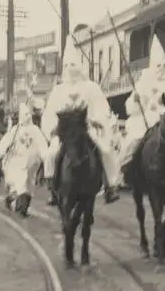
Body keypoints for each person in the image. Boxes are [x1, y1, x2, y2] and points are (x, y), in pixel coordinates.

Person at [41, 47, 120, 203]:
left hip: (87, 128)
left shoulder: (91, 87)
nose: (71, 68)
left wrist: (97, 120)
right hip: (64, 132)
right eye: (67, 65)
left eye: (74, 64)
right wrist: (53, 129)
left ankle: (110, 186)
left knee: (105, 151)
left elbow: (102, 108)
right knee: (50, 154)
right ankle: (52, 188)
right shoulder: (58, 90)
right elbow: (49, 114)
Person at [119, 36, 165, 172]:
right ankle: (125, 170)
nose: (161, 68)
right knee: (132, 141)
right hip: (146, 119)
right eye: (157, 65)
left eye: (163, 64)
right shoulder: (143, 82)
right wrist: (135, 100)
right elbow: (130, 108)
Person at [0, 104, 48, 216]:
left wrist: (45, 156)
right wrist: (0, 151)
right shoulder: (15, 130)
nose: (27, 116)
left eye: (28, 114)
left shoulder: (35, 130)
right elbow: (6, 141)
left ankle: (22, 206)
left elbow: (42, 144)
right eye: (25, 114)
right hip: (18, 162)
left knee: (29, 186)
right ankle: (20, 208)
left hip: (32, 164)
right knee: (21, 184)